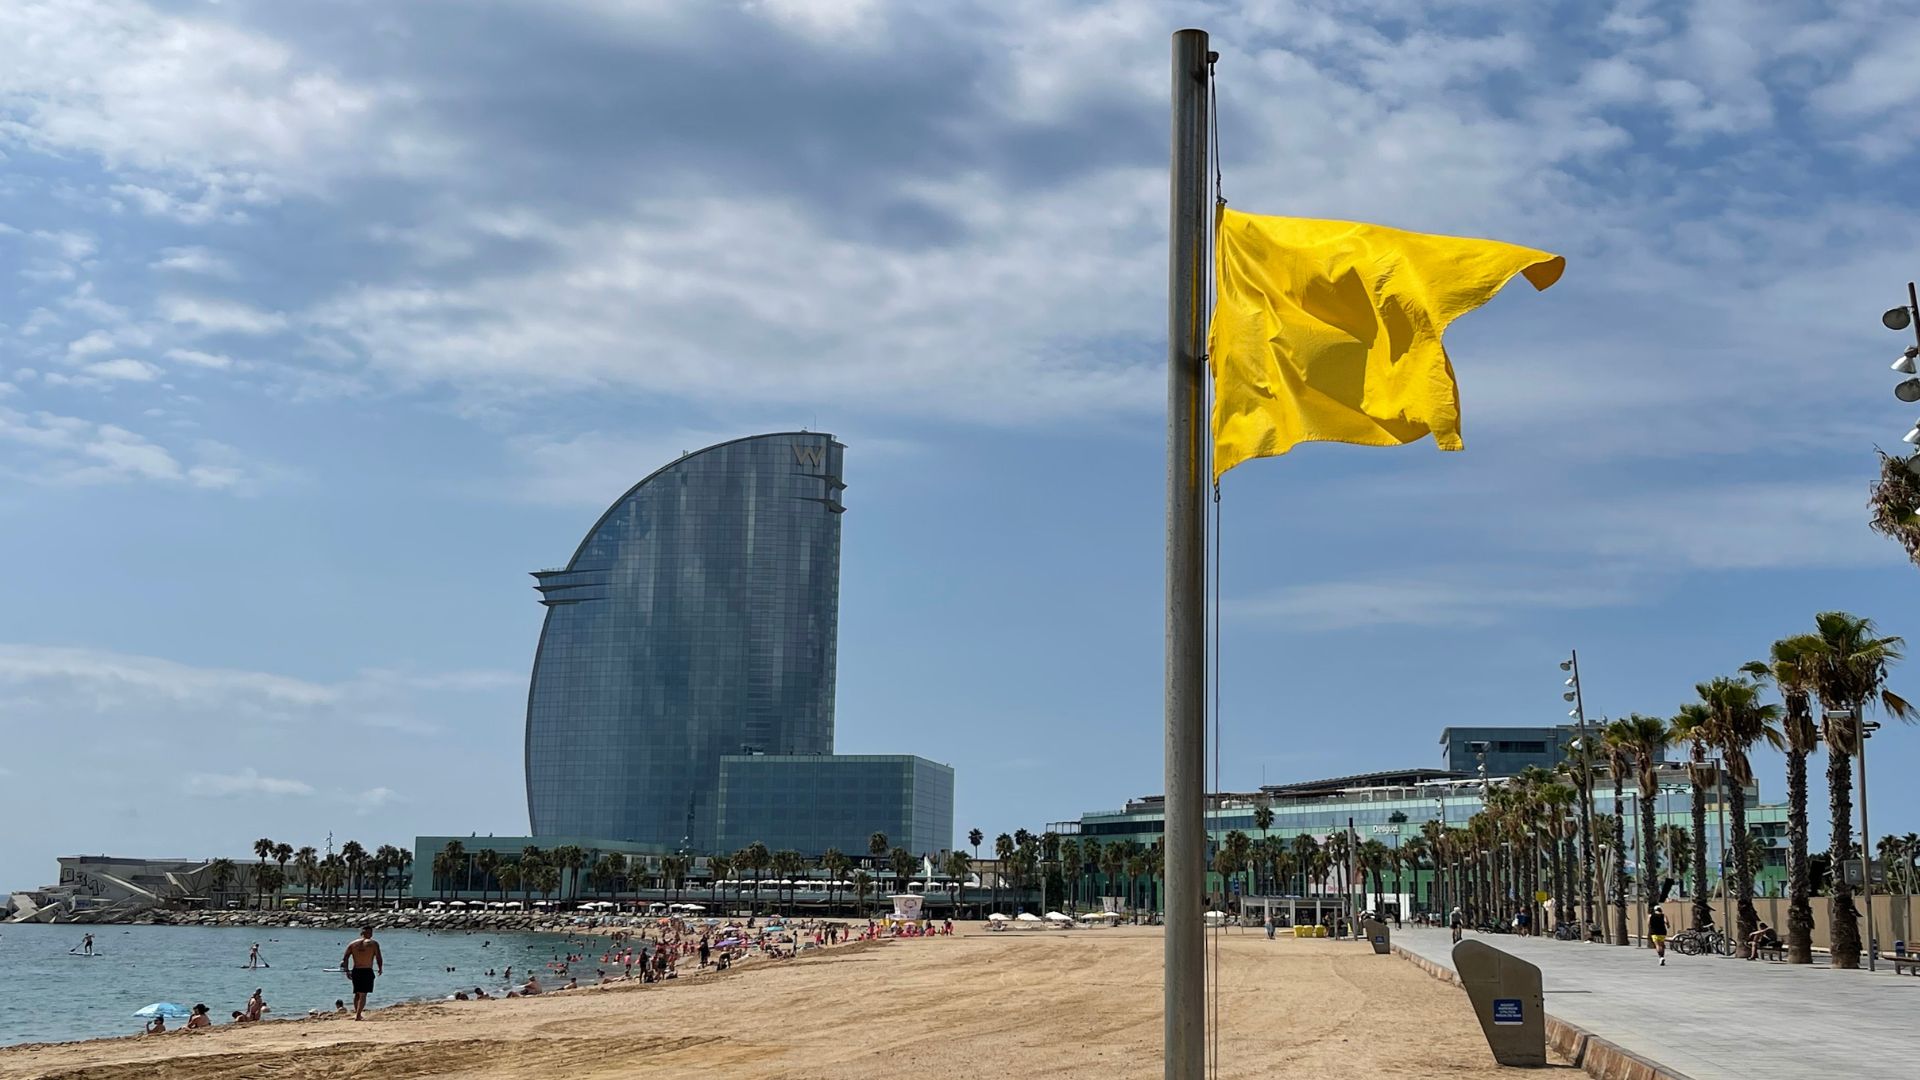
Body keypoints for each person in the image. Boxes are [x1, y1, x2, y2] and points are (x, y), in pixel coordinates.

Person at [341, 926, 384, 1021]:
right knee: (363, 994)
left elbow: (345, 958)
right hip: (367, 970)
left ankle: (358, 1013)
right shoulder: (373, 944)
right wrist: (380, 968)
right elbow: (378, 957)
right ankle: (358, 1015)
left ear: (361, 933)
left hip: (356, 970)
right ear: (371, 933)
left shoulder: (352, 944)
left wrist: (347, 970)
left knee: (357, 993)